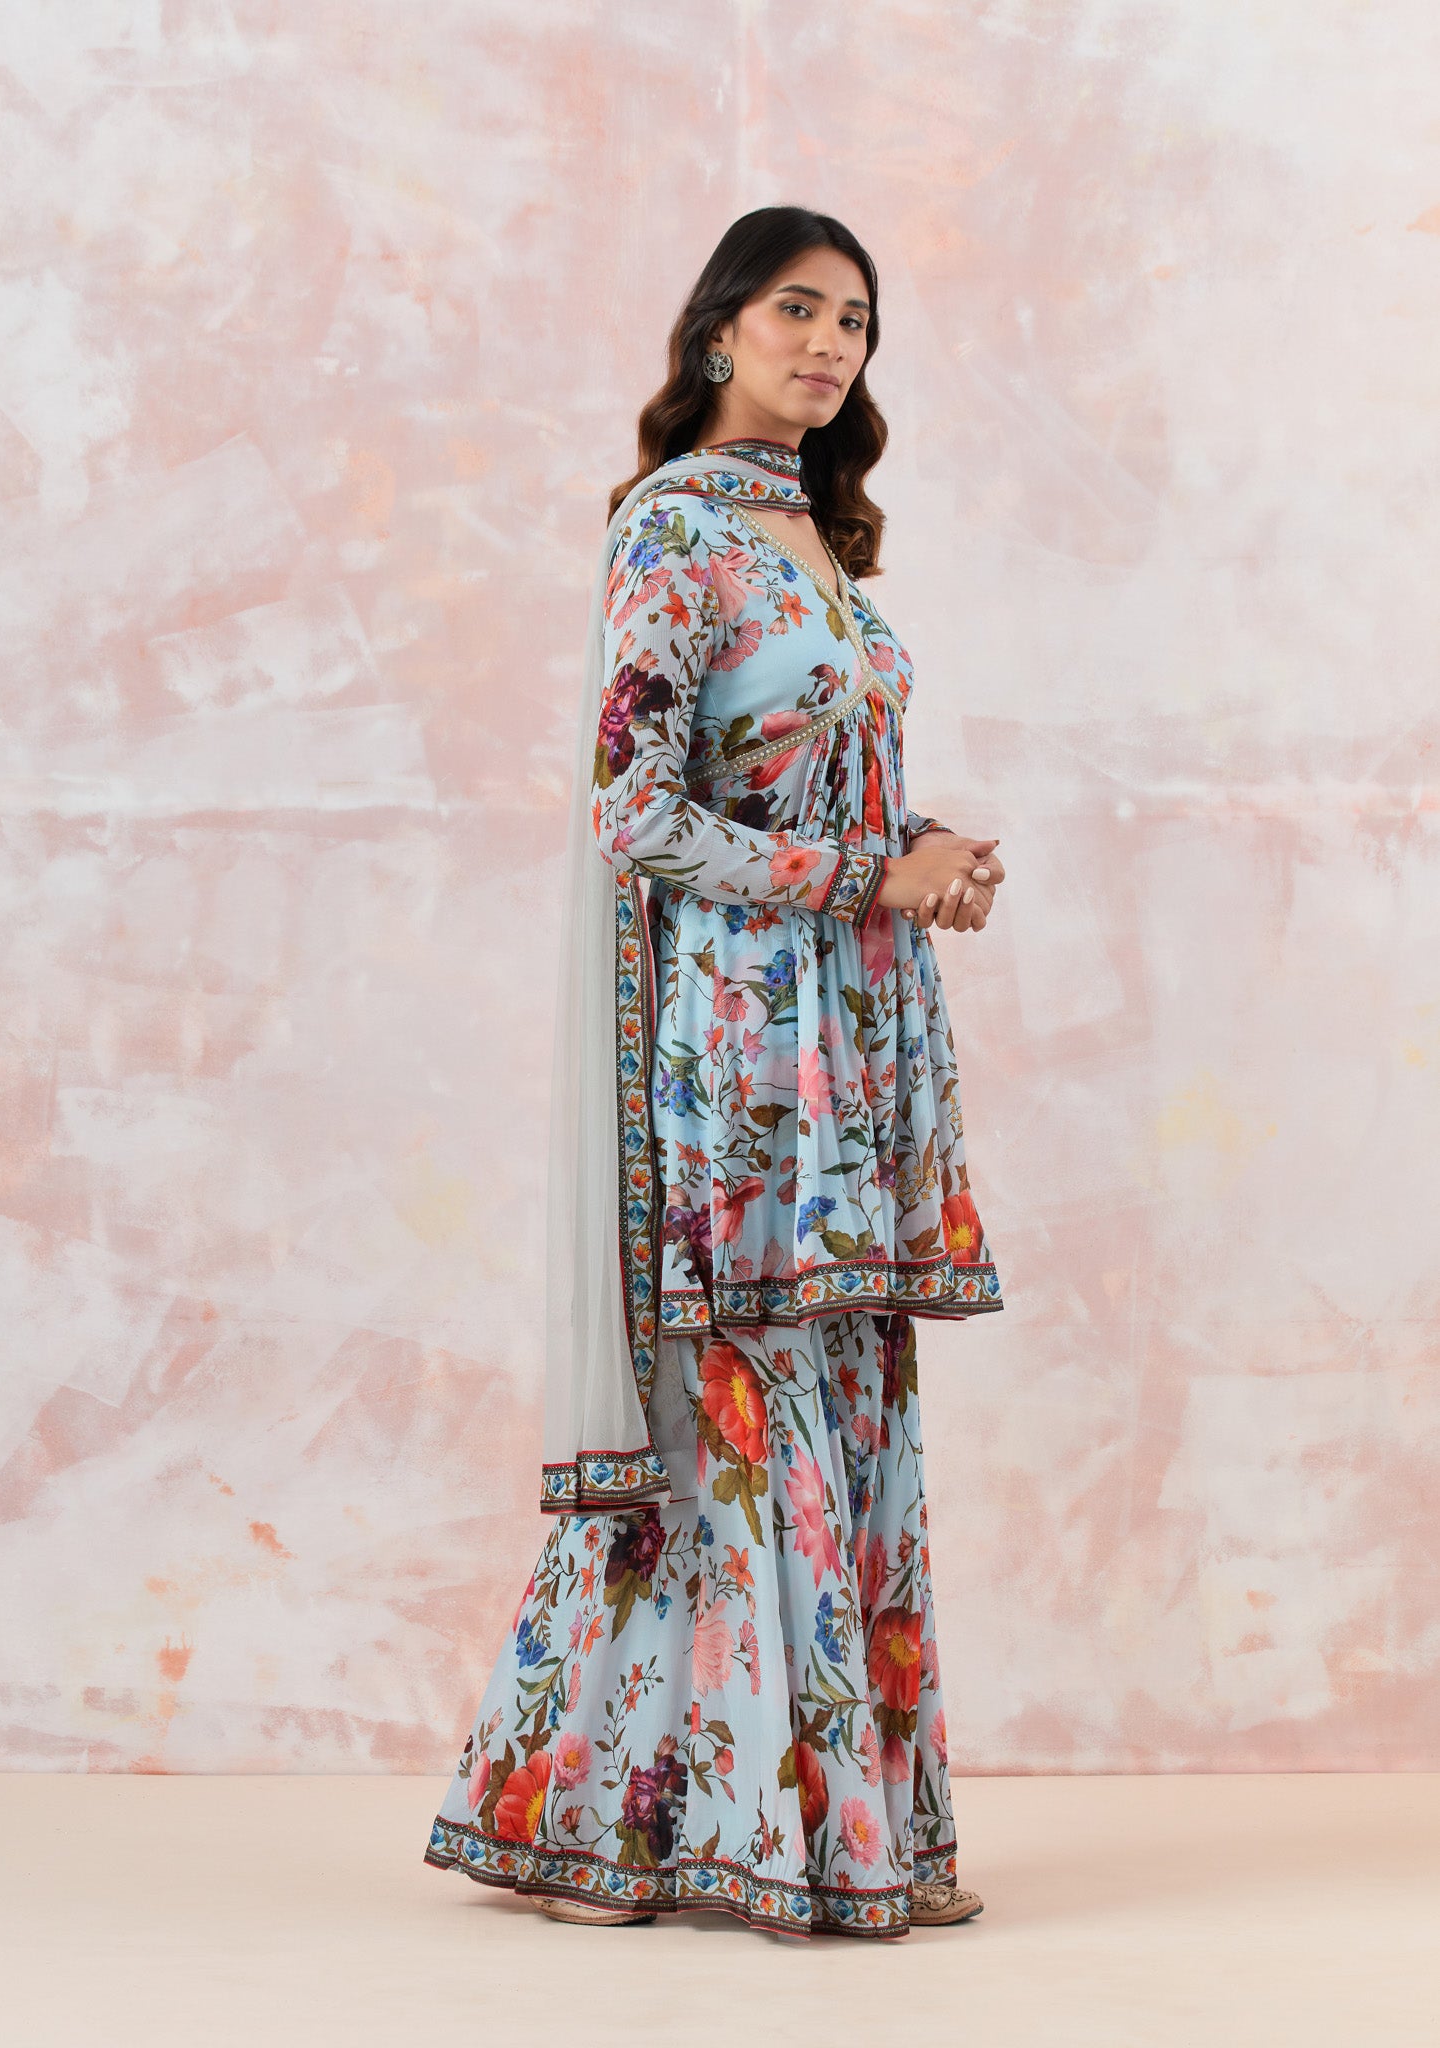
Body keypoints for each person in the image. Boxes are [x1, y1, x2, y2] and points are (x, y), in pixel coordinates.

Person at [424, 206, 1005, 1941]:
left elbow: (790, 782)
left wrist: (923, 849)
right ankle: (606, 1831)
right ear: (717, 333)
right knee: (729, 1417)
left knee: (837, 1395)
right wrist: (864, 875)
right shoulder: (676, 528)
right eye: (795, 310)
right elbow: (637, 815)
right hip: (741, 1046)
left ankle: (836, 1834)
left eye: (854, 321)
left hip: (849, 1035)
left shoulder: (812, 532)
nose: (828, 345)